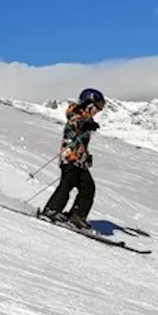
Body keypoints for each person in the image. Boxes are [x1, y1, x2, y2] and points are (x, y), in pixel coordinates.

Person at [40, 88, 105, 230]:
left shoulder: (88, 118)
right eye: (98, 106)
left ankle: (77, 216)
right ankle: (52, 210)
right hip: (69, 157)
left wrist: (86, 157)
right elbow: (74, 121)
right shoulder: (76, 112)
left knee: (88, 188)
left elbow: (81, 141)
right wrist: (84, 124)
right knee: (67, 184)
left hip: (79, 160)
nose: (99, 110)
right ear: (89, 103)